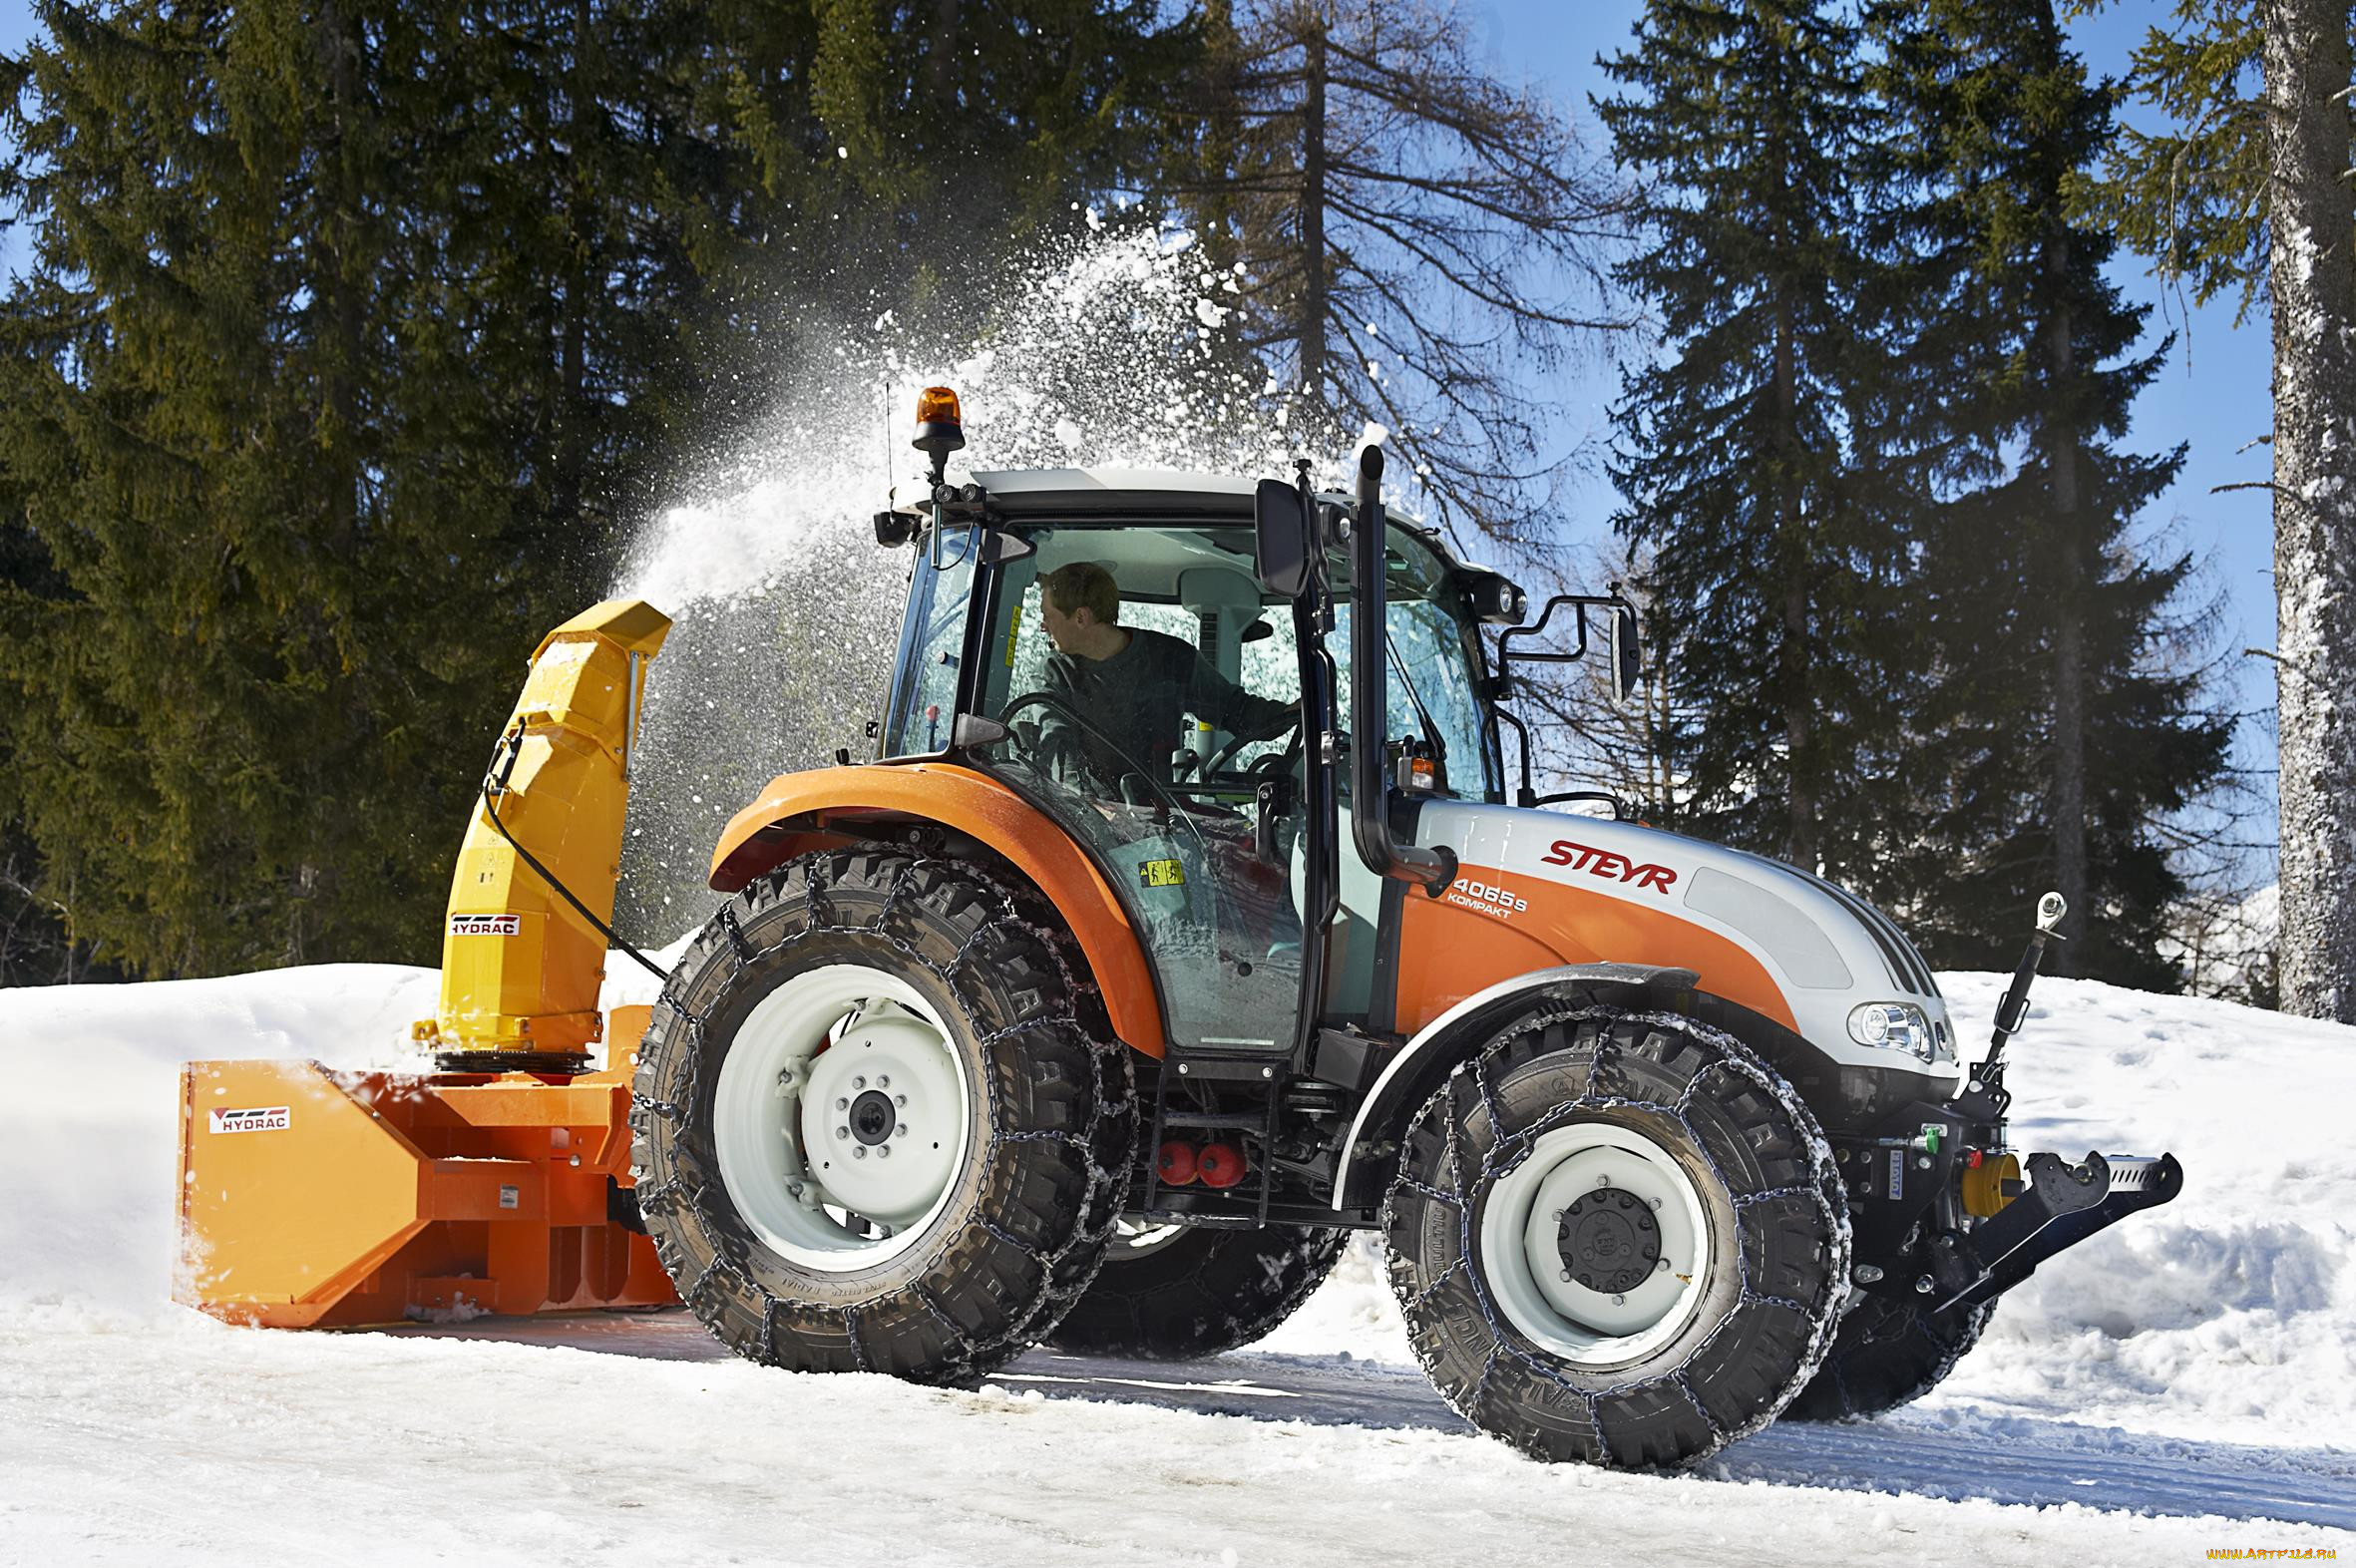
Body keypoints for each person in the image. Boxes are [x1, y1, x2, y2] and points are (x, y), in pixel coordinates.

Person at [1032, 562, 1294, 789]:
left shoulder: (1171, 657)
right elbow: (1058, 752)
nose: (1043, 626)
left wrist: (1290, 714)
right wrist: (1087, 808)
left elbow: (1234, 710)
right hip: (1083, 819)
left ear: (1080, 617)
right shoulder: (1054, 673)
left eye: (1048, 616)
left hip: (1162, 814)